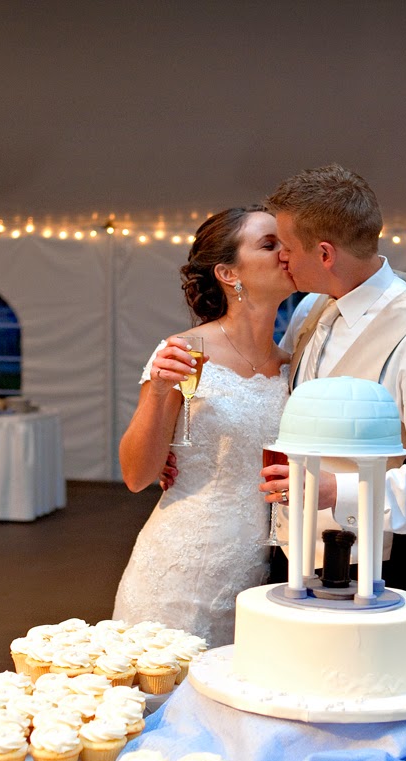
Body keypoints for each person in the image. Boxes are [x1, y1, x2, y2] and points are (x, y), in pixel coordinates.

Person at [261, 164, 406, 594]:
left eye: (286, 247)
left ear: (325, 254)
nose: (280, 257)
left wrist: (337, 491)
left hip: (366, 573)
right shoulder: (311, 309)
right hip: (286, 558)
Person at [112, 206, 296, 646]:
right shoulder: (184, 353)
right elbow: (136, 476)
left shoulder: (295, 364)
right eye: (269, 244)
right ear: (229, 274)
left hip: (263, 576)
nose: (285, 253)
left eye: (286, 243)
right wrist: (158, 392)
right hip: (180, 570)